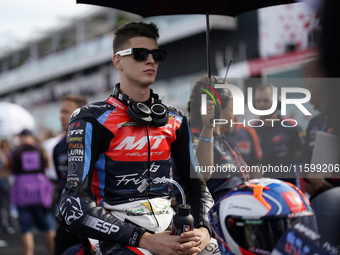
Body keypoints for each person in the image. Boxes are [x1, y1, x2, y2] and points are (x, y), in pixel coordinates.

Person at [57, 22, 214, 255]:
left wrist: (203, 228)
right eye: (141, 54)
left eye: (157, 55)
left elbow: (197, 187)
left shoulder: (175, 119)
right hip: (117, 233)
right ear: (118, 61)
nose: (151, 60)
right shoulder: (91, 118)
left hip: (170, 228)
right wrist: (145, 240)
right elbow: (72, 205)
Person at [188, 76, 245, 203]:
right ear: (221, 103)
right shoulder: (195, 137)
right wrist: (208, 128)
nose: (235, 106)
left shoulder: (221, 137)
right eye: (232, 100)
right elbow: (202, 173)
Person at [53, 94, 88, 255]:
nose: (61, 116)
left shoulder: (91, 142)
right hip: (64, 214)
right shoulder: (58, 147)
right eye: (61, 112)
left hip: (89, 214)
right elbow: (61, 180)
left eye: (66, 112)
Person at [10, 129, 55, 255]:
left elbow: (12, 170)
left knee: (26, 229)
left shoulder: (15, 152)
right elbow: (48, 166)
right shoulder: (40, 150)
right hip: (41, 192)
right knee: (48, 226)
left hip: (22, 193)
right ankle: (53, 252)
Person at [300, 58, 340, 200]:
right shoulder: (314, 123)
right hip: (319, 196)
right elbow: (304, 160)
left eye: (311, 88)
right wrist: (312, 179)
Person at [253, 84, 303, 187]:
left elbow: (302, 160)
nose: (261, 104)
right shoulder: (251, 131)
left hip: (289, 187)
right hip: (264, 189)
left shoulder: (291, 126)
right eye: (258, 101)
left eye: (266, 100)